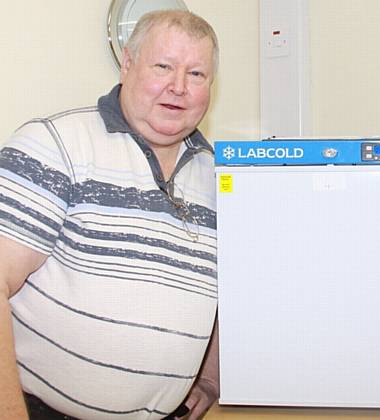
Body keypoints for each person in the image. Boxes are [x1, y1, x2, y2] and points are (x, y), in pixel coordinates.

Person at [0, 9, 220, 420]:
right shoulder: (55, 145)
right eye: (163, 66)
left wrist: (210, 377)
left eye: (196, 74)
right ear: (128, 64)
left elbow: (229, 292)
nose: (178, 87)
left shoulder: (220, 177)